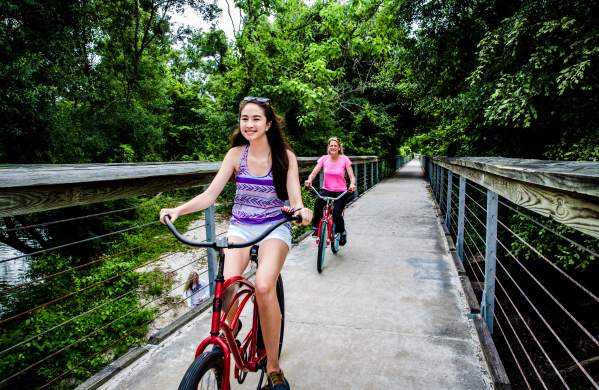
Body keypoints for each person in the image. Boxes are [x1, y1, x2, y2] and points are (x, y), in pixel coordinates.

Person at [159, 96, 312, 390]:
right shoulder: (235, 156)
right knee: (228, 283)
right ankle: (228, 332)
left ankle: (273, 368)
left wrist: (301, 212)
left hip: (274, 227)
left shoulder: (285, 157)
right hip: (242, 227)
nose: (249, 124)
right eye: (245, 119)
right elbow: (209, 196)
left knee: (265, 286)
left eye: (256, 119)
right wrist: (177, 210)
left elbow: (295, 201)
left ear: (268, 124)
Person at [304, 136, 356, 246]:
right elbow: (314, 172)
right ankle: (316, 227)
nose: (333, 147)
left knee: (337, 214)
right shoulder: (324, 159)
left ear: (339, 148)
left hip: (340, 191)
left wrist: (352, 184)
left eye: (335, 146)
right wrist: (309, 179)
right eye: (331, 145)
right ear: (328, 147)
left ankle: (342, 232)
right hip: (326, 189)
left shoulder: (344, 159)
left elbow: (352, 177)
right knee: (318, 202)